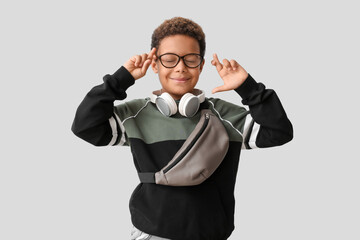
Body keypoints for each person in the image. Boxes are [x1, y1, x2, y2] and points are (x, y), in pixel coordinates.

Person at [71, 17, 293, 240]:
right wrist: (120, 80)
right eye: (169, 59)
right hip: (151, 235)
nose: (180, 67)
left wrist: (248, 88)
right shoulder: (135, 115)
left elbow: (279, 131)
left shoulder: (226, 116)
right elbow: (85, 126)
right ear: (155, 64)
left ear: (201, 65)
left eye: (191, 59)